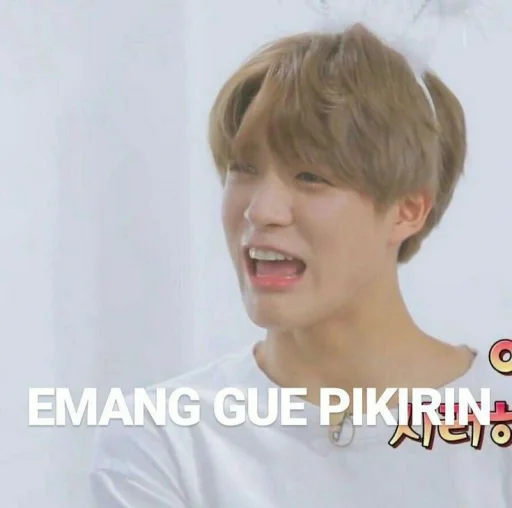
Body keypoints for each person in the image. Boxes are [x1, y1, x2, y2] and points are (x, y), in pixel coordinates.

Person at [90, 22, 511, 507]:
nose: (260, 211)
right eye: (243, 169)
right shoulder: (163, 439)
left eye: (311, 176)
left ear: (407, 210)